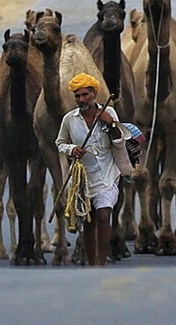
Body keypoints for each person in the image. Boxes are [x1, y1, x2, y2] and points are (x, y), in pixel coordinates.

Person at [56, 72, 130, 266]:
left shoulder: (109, 112)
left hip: (107, 174)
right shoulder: (69, 119)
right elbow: (60, 143)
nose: (81, 100)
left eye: (85, 95)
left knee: (104, 214)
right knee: (88, 221)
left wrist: (110, 122)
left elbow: (120, 140)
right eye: (78, 96)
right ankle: (92, 263)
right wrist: (72, 149)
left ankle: (101, 261)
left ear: (94, 94)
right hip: (83, 178)